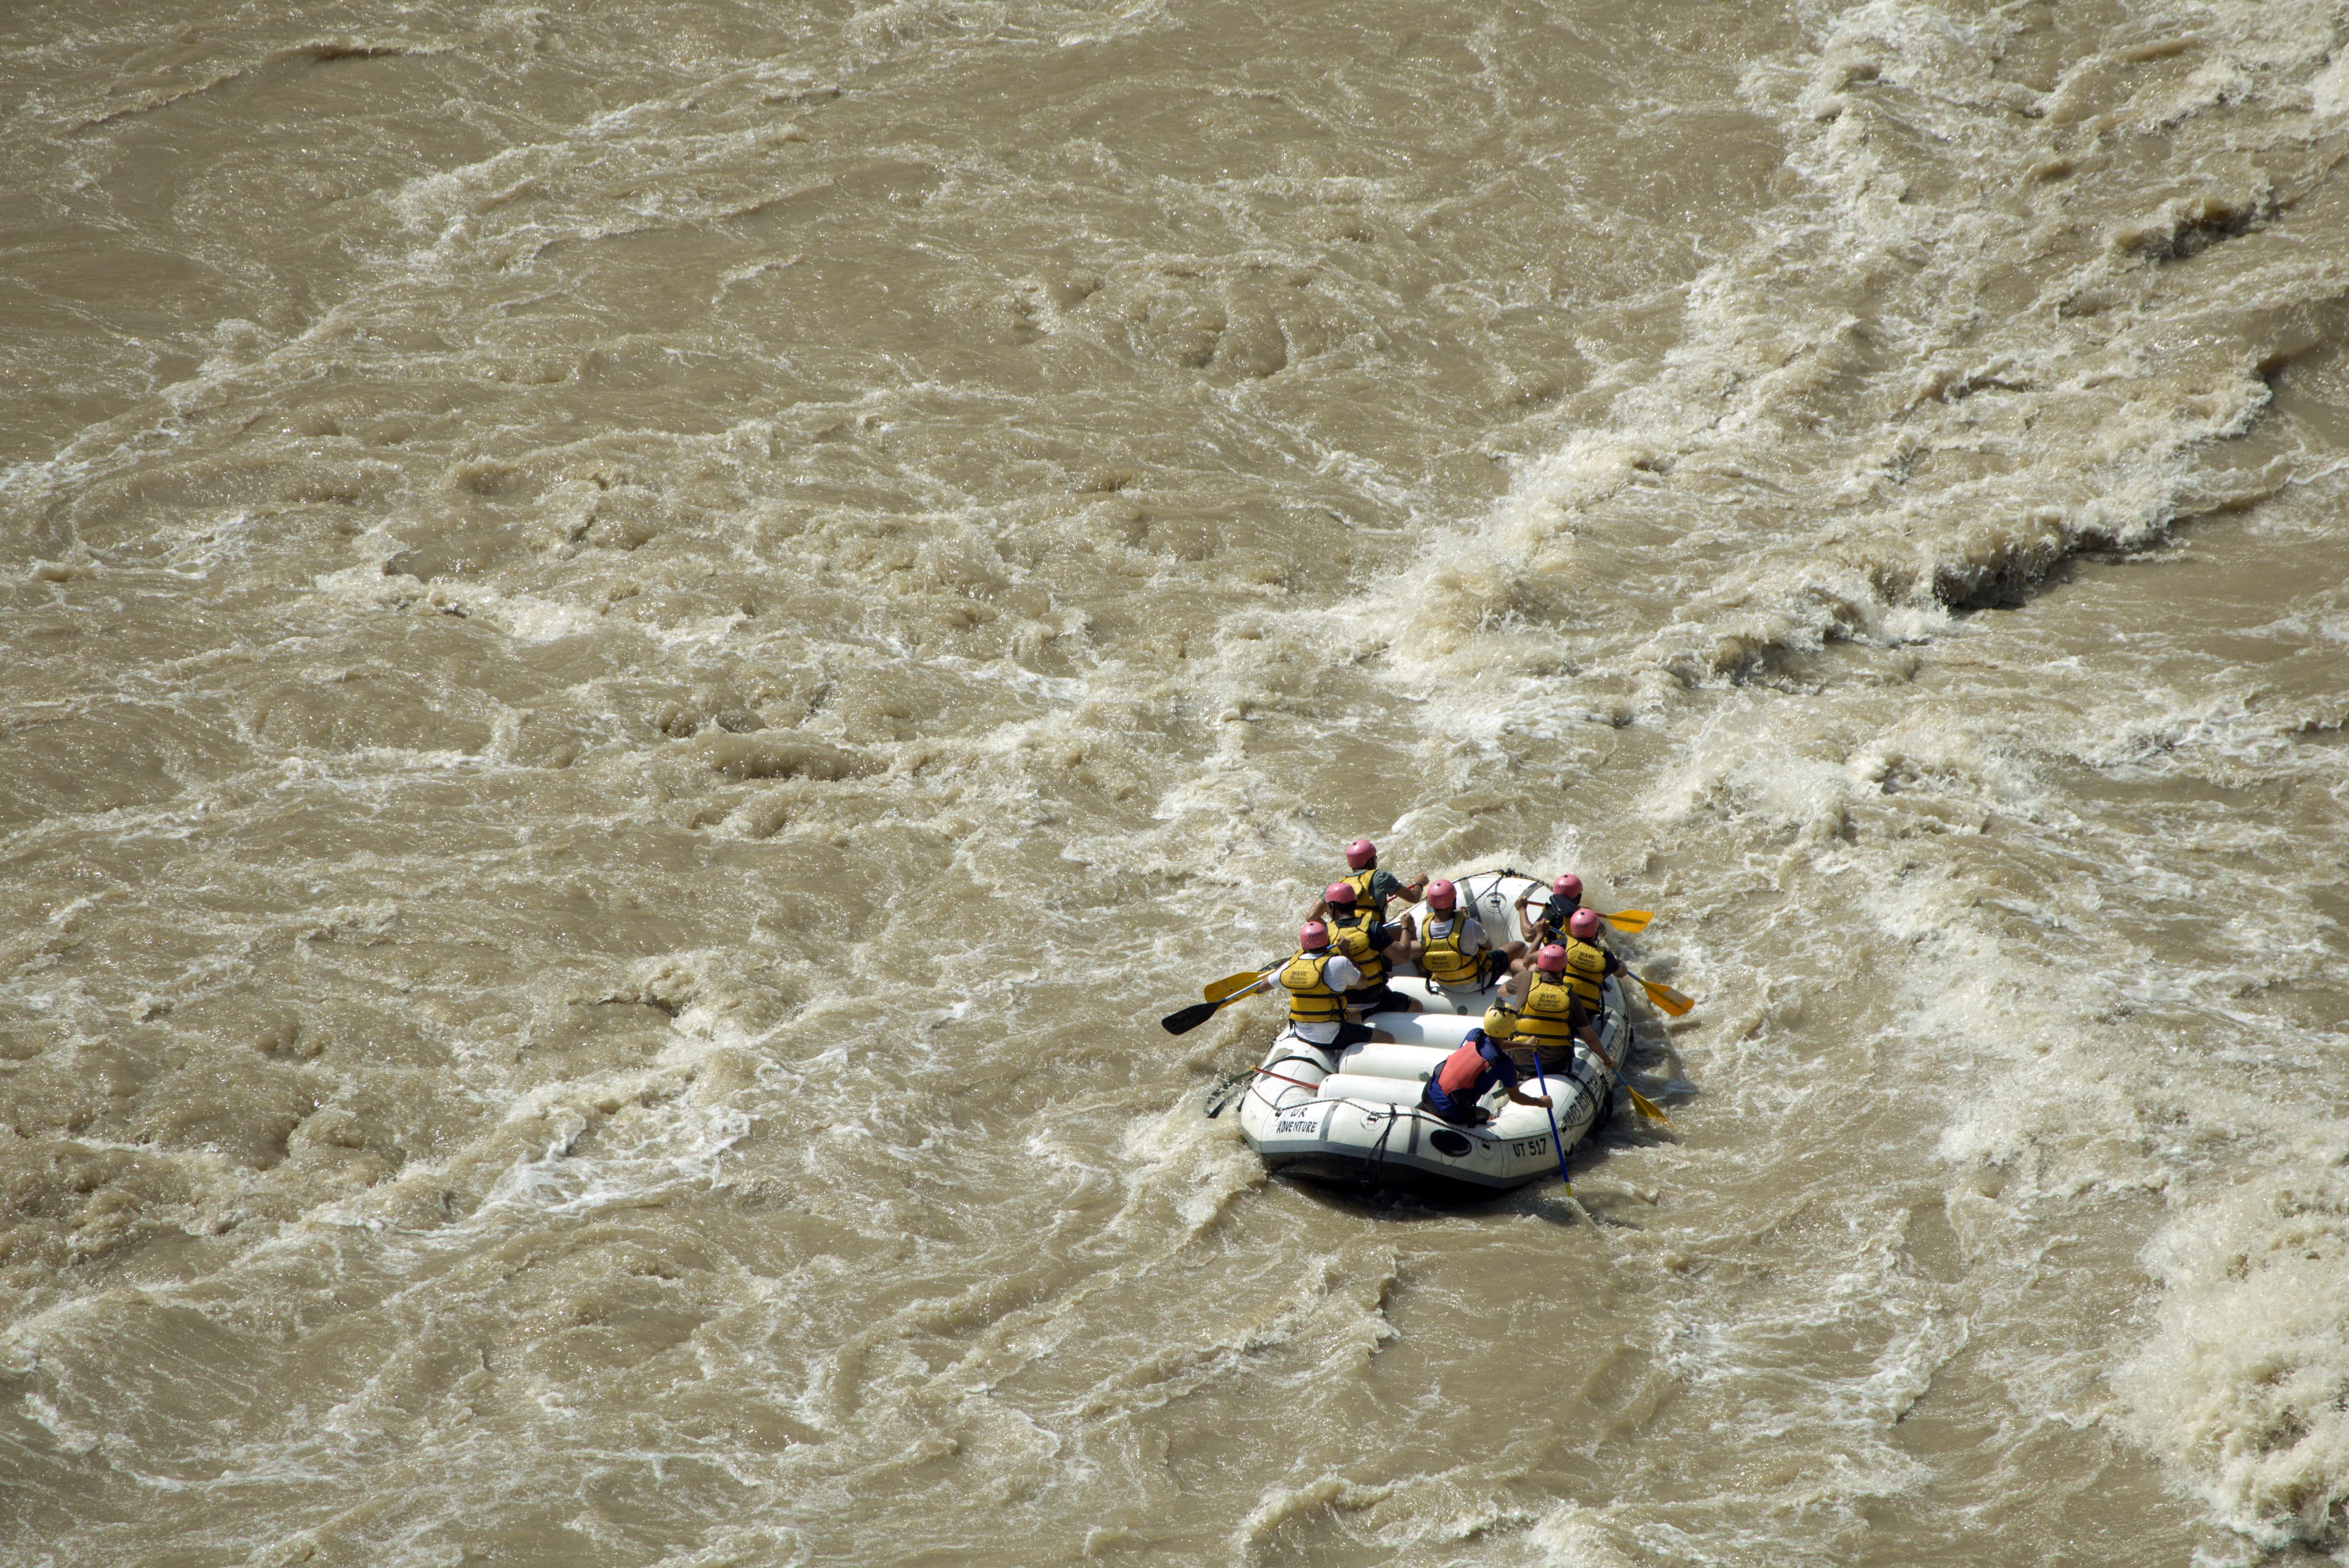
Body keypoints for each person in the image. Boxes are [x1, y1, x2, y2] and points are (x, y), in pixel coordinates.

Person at [1419, 1009, 1552, 1126]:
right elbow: (1516, 1097)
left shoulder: (1474, 1035)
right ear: (1510, 1030)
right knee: (1488, 1116)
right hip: (1449, 1111)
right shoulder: (1505, 1064)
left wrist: (1524, 1045)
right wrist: (1540, 1102)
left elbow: (1492, 1045)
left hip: (1428, 1094)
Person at [1277, 921, 1396, 1050]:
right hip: (1333, 1037)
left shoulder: (1291, 965)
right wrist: (1345, 951)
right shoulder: (1340, 962)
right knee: (1389, 1039)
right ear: (1327, 940)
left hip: (1302, 1033)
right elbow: (1362, 984)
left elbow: (1265, 984)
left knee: (1356, 1014)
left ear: (1303, 945)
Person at [1503, 942, 1612, 1074]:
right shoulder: (1571, 996)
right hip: (1555, 1064)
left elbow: (1502, 992)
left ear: (1539, 965)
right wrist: (1607, 1060)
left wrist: (1528, 976)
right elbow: (1589, 1037)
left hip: (1520, 1061)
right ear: (1565, 968)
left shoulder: (1525, 977)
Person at [1413, 879, 1525, 1007]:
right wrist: (1466, 918)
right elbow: (1489, 946)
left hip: (1444, 983)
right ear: (1454, 901)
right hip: (1477, 982)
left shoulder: (1422, 929)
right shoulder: (1469, 925)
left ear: (1431, 903)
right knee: (1518, 947)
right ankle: (1518, 993)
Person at [1321, 883, 1422, 1016]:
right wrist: (1406, 928)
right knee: (1417, 1006)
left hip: (1344, 1004)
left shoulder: (1324, 934)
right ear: (1355, 903)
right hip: (1377, 1000)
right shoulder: (1371, 927)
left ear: (1331, 907)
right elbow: (1402, 956)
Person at [1311, 838, 1428, 924]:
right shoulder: (1381, 876)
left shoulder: (1337, 886)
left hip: (1344, 938)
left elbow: (1311, 917)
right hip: (1375, 936)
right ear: (1371, 862)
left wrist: (1330, 929)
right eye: (1375, 858)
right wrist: (1419, 883)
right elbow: (1414, 898)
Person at [1514, 874, 1587, 949]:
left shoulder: (1552, 912)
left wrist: (1522, 909)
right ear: (1579, 897)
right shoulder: (1586, 915)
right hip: (1577, 953)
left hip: (1555, 954)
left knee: (1517, 950)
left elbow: (1529, 935)